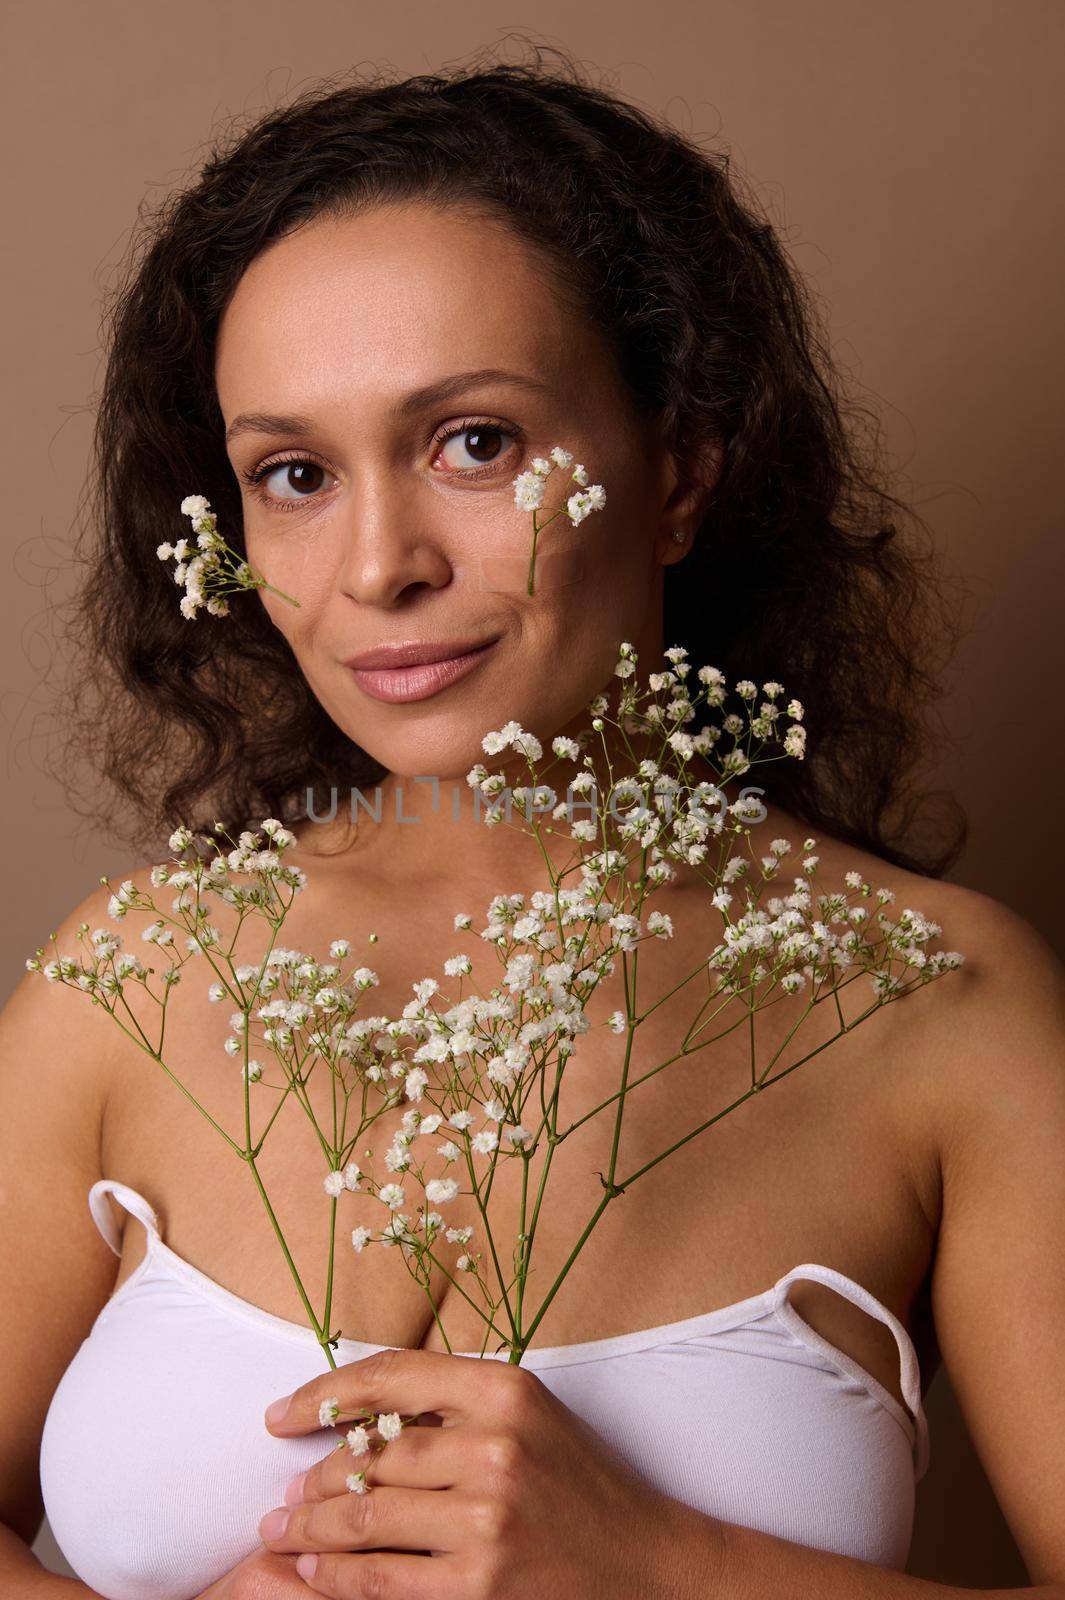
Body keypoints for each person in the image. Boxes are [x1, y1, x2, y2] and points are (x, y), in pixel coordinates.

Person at [4, 45, 1064, 1600]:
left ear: (681, 469)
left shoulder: (937, 1004)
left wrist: (656, 1563)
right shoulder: (137, 977)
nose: (379, 565)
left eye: (473, 443)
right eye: (293, 473)